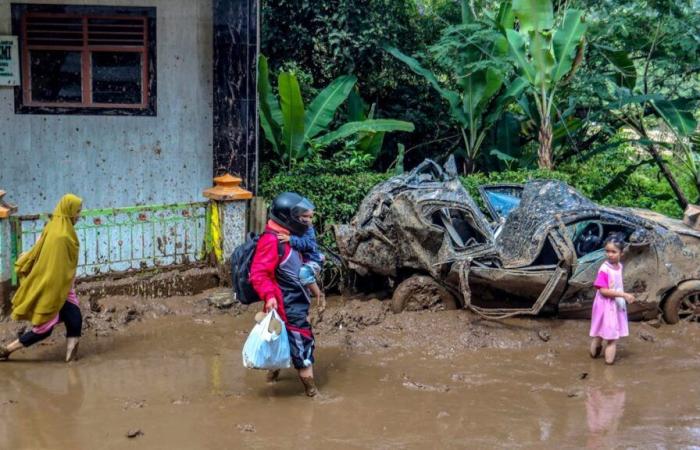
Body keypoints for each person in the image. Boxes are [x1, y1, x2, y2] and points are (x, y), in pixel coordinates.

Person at [249, 192, 319, 397]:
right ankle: (313, 392)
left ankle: (271, 382)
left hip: (292, 303)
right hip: (286, 306)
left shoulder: (291, 236)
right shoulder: (271, 241)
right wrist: (269, 296)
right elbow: (259, 273)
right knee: (302, 346)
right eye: (302, 218)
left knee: (277, 342)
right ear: (289, 218)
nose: (306, 221)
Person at [0, 194, 83, 363]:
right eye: (77, 211)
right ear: (68, 211)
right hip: (54, 288)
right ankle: (6, 350)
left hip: (64, 288)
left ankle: (71, 361)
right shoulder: (61, 236)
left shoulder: (56, 228)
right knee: (44, 329)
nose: (79, 215)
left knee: (74, 320)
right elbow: (54, 267)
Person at [589, 233, 636, 365]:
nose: (610, 254)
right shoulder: (604, 269)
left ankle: (593, 362)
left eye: (613, 252)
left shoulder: (619, 266)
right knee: (611, 339)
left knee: (599, 333)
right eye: (607, 251)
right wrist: (624, 295)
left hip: (613, 304)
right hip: (605, 305)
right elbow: (603, 291)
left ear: (621, 253)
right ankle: (608, 369)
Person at [276, 203, 327, 316]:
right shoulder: (293, 226)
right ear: (297, 216)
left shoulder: (308, 229)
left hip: (312, 261)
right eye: (305, 216)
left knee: (304, 274)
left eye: (310, 217)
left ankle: (319, 295)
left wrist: (291, 239)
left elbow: (308, 243)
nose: (308, 219)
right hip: (301, 262)